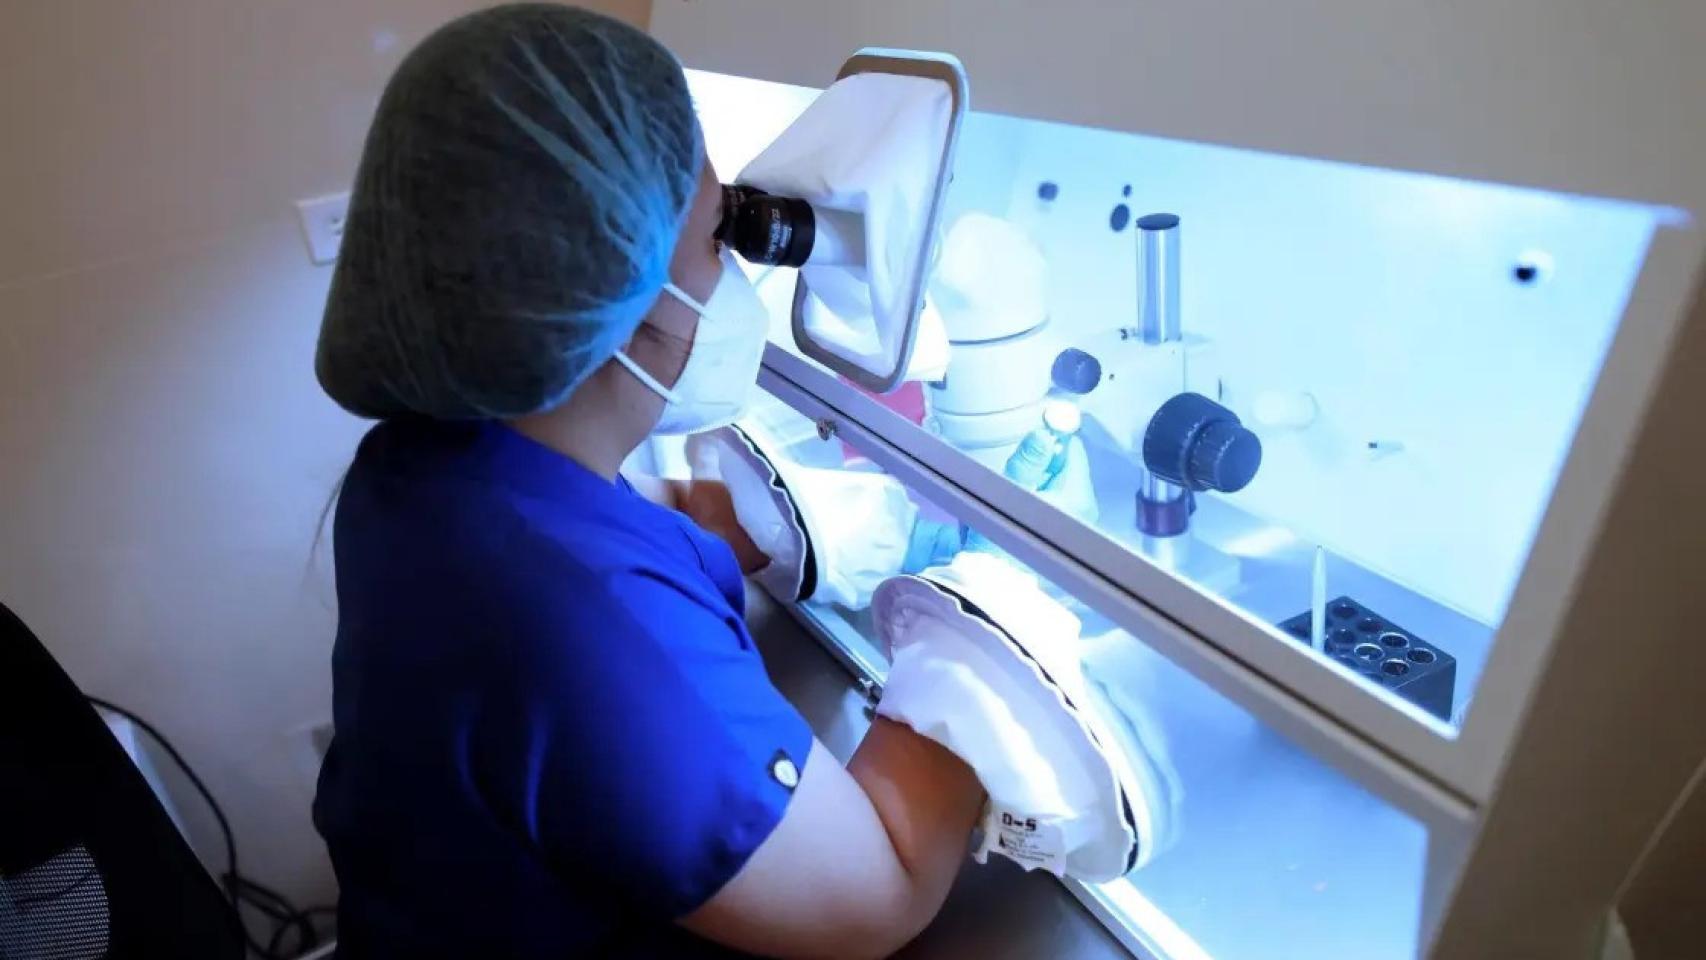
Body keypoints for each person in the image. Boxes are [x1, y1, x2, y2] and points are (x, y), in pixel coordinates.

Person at [309, 6, 990, 957]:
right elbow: (877, 893)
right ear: (607, 292)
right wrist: (979, 648)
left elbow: (594, 532)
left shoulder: (416, 463)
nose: (730, 273)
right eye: (715, 238)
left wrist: (753, 520)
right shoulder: (583, 626)